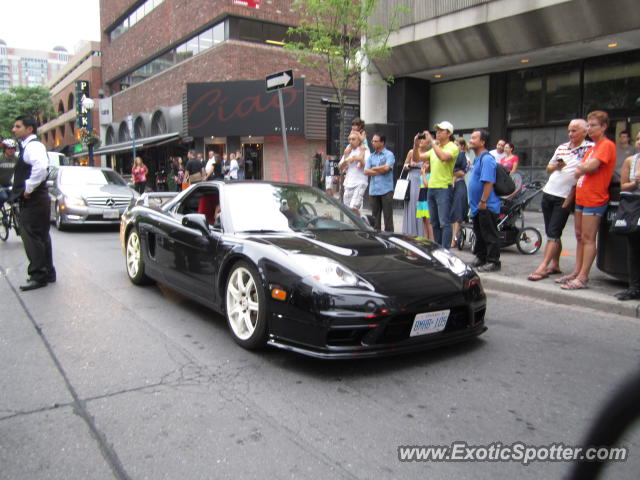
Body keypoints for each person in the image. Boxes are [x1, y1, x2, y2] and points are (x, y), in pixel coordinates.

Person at [528, 119, 592, 281]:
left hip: (565, 196)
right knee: (551, 231)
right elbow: (549, 168)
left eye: (575, 131)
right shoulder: (562, 147)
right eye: (569, 131)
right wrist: (558, 165)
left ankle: (543, 266)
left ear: (585, 131)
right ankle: (555, 264)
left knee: (554, 233)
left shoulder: (589, 148)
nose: (571, 134)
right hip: (549, 192)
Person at [561, 110, 616, 291]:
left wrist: (581, 168)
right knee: (579, 236)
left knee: (588, 237)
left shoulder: (606, 145)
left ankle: (583, 276)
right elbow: (581, 170)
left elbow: (591, 167)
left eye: (593, 126)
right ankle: (577, 271)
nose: (590, 129)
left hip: (595, 197)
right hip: (582, 196)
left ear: (604, 127)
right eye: (589, 125)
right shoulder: (592, 148)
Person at [10, 115, 56, 291]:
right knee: (41, 235)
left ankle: (38, 275)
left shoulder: (33, 146)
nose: (14, 129)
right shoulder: (28, 147)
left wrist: (28, 189)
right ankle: (48, 272)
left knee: (31, 236)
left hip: (34, 198)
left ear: (29, 129)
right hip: (38, 198)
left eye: (18, 126)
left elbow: (40, 168)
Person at [415, 121, 459, 248]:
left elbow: (444, 157)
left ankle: (445, 250)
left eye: (441, 130)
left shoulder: (452, 147)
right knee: (434, 222)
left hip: (444, 188)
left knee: (444, 222)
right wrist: (416, 144)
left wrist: (433, 142)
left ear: (449, 133)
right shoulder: (435, 148)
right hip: (431, 187)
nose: (438, 132)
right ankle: (438, 249)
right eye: (437, 130)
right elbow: (417, 158)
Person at [467, 129, 501, 272]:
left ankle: (493, 261)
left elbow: (488, 182)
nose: (470, 140)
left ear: (482, 142)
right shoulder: (477, 159)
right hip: (477, 206)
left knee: (489, 234)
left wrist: (483, 201)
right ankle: (481, 258)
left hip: (485, 205)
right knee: (479, 233)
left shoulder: (487, 159)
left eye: (474, 138)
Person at [614, 131, 640, 300]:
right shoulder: (631, 161)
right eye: (638, 138)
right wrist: (635, 183)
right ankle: (634, 287)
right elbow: (623, 186)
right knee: (634, 248)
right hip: (634, 207)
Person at [364, 134, 395, 231]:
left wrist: (374, 168)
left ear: (382, 142)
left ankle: (390, 240)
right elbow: (366, 171)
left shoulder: (389, 155)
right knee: (375, 220)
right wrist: (379, 170)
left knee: (388, 219)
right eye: (372, 141)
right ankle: (377, 240)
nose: (373, 143)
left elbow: (386, 168)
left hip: (386, 190)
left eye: (375, 141)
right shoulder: (371, 156)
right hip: (374, 191)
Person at [401, 136, 429, 236]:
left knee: (422, 205)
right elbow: (404, 165)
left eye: (424, 139)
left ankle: (423, 233)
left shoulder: (429, 154)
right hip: (412, 179)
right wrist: (409, 165)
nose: (421, 141)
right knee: (412, 204)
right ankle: (410, 232)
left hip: (423, 179)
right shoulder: (411, 152)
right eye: (420, 139)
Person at [338, 131, 369, 216]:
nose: (351, 141)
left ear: (359, 140)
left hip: (360, 182)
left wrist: (358, 159)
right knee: (347, 209)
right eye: (349, 139)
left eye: (353, 139)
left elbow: (368, 165)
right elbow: (340, 167)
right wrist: (346, 161)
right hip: (348, 182)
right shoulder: (348, 151)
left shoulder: (364, 150)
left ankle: (361, 224)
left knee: (353, 207)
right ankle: (355, 225)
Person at [451, 137, 469, 247]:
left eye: (457, 144)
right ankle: (453, 236)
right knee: (452, 213)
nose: (455, 147)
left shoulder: (465, 157)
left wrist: (454, 174)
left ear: (462, 146)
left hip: (460, 185)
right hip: (451, 185)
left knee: (458, 211)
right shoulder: (452, 156)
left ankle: (454, 239)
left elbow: (463, 173)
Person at [415, 162, 434, 241]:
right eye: (424, 164)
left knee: (428, 220)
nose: (425, 165)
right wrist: (417, 199)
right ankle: (426, 238)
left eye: (427, 164)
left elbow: (427, 184)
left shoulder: (429, 175)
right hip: (422, 197)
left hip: (427, 196)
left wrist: (423, 174)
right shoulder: (421, 175)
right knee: (423, 219)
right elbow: (420, 187)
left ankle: (431, 239)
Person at [1, 139, 18, 206]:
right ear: (4, 149)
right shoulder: (1, 158)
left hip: (8, 183)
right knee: (3, 197)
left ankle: (15, 213)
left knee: (15, 197)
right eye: (9, 148)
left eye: (13, 148)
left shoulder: (16, 159)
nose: (11, 150)